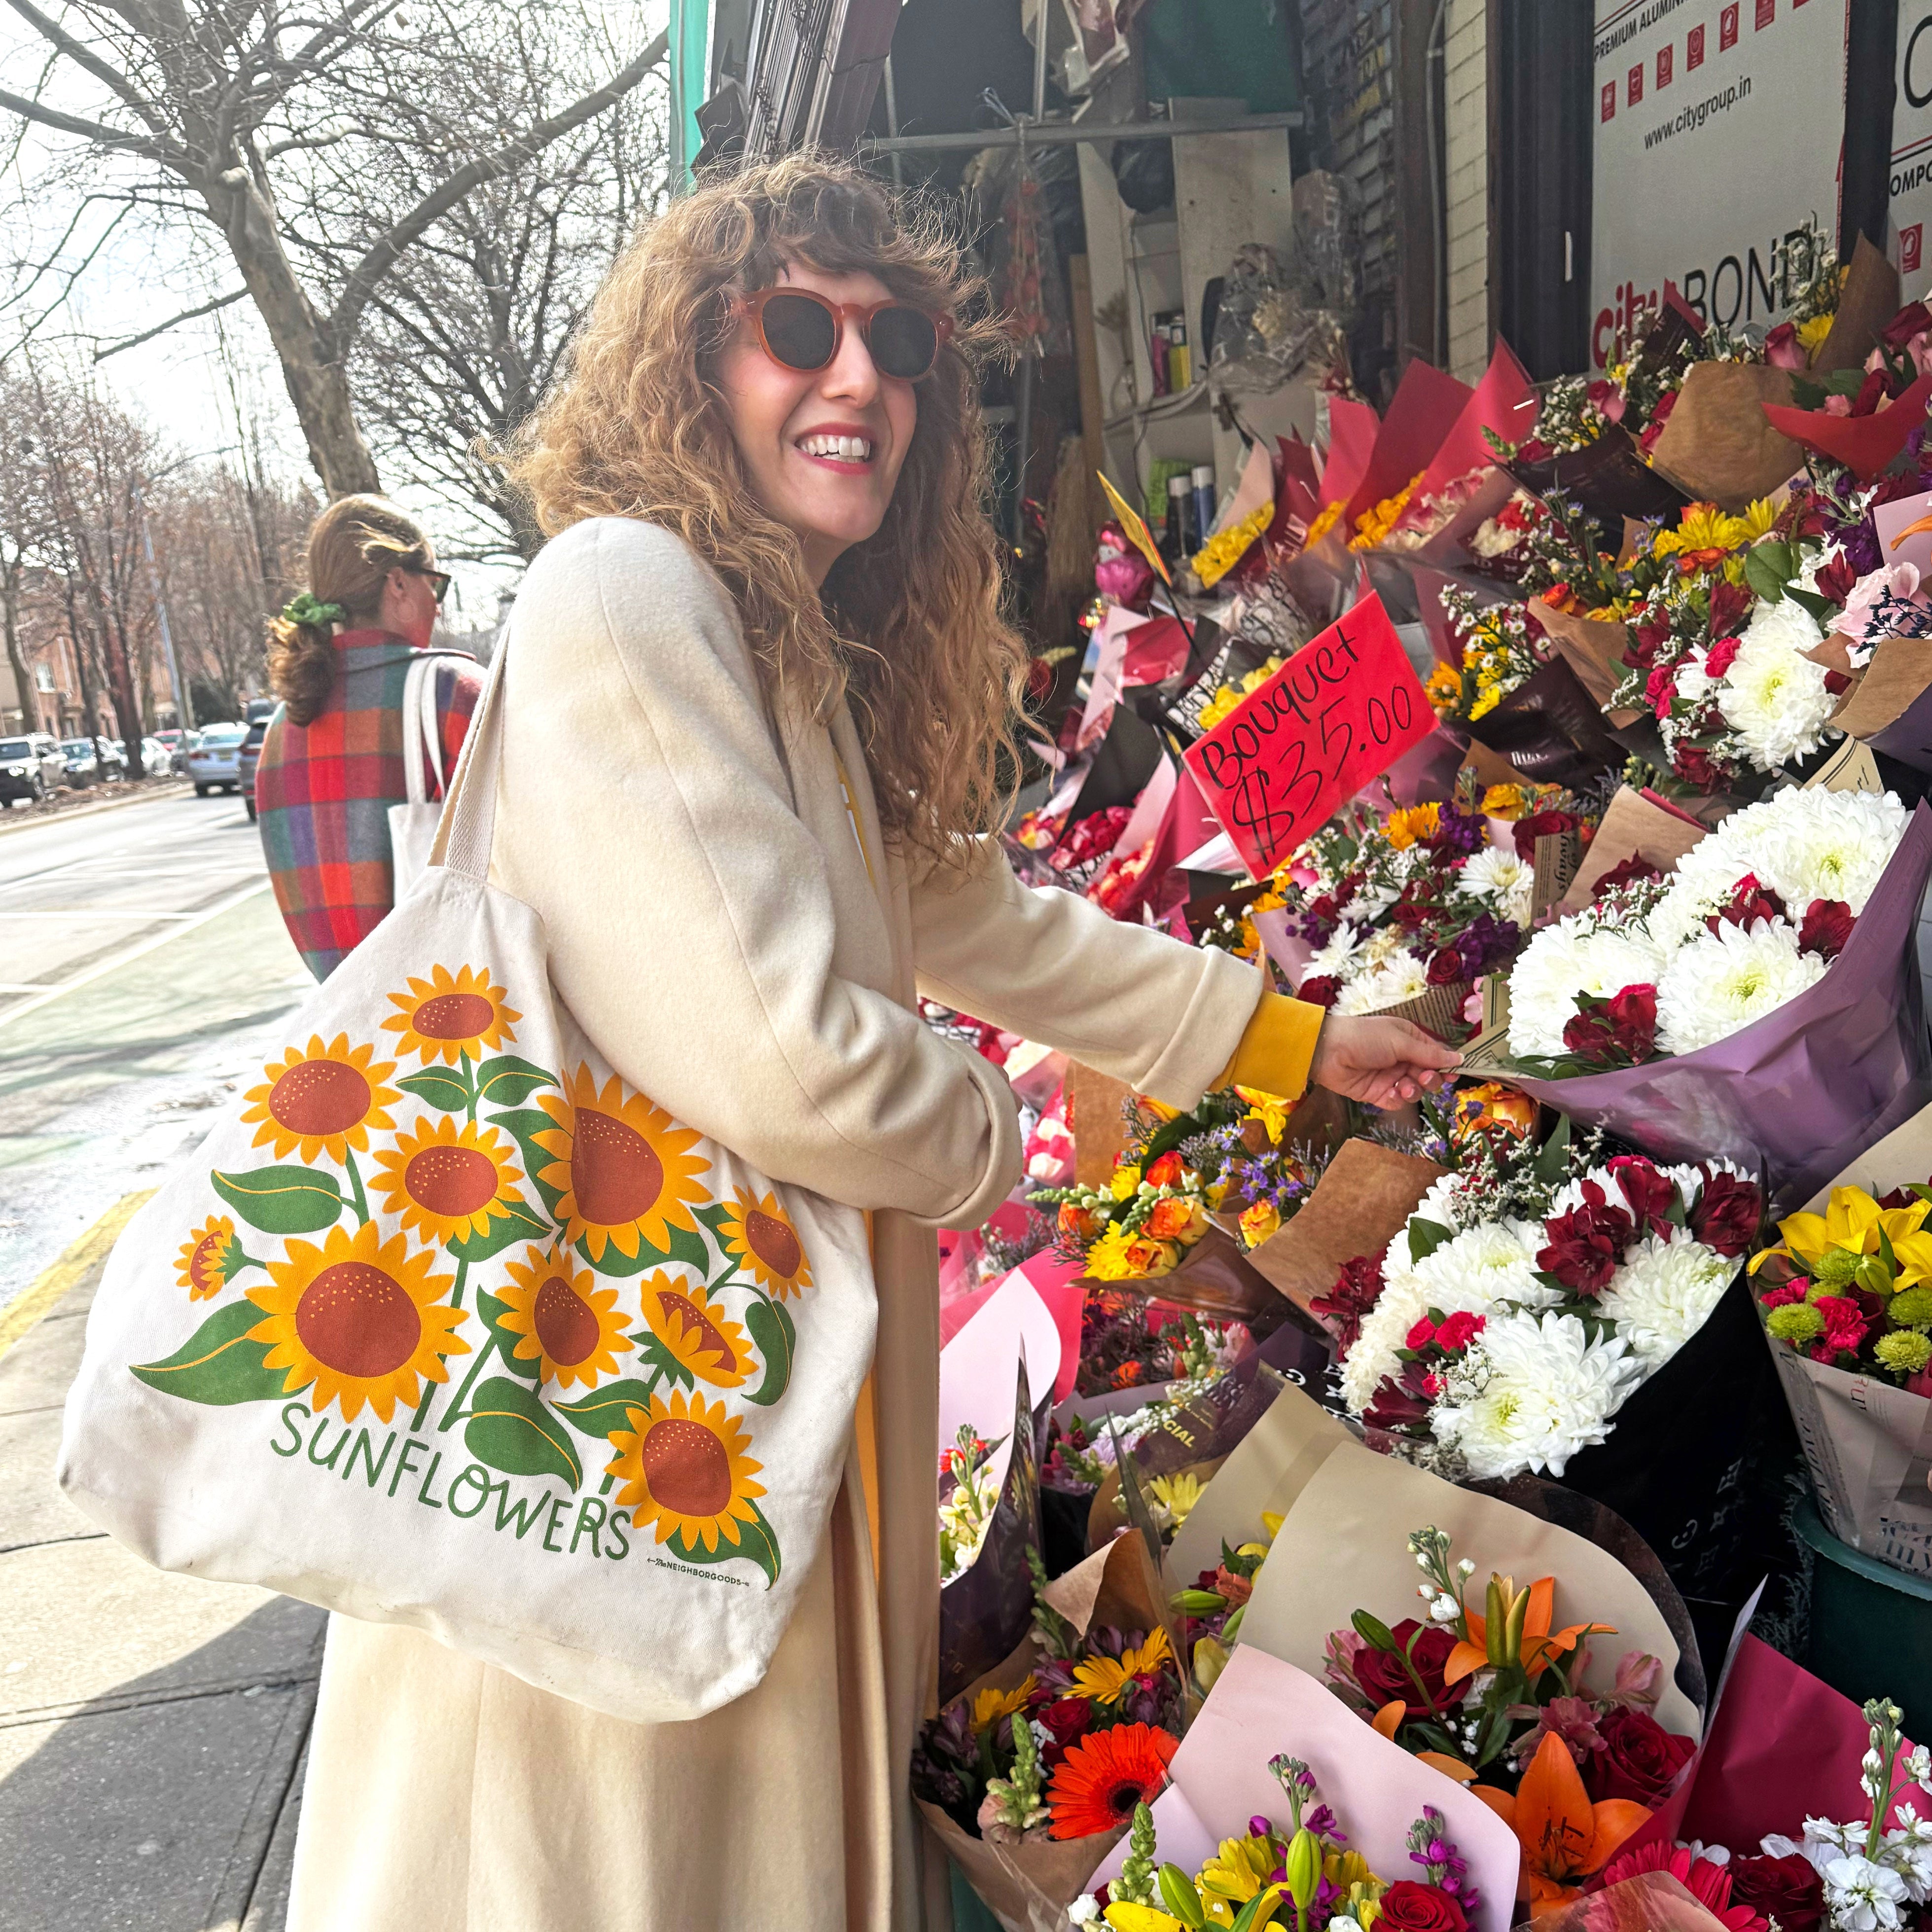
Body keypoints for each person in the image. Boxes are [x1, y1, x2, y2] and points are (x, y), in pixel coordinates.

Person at [285, 157, 1458, 1932]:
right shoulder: (625, 592)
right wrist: (994, 1128)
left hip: (737, 1428)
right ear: (692, 363)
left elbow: (983, 920)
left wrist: (1296, 1043)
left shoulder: (785, 657)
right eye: (798, 330)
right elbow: (796, 1064)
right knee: (632, 1863)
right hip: (628, 1446)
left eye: (898, 340)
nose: (859, 378)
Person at [255, 496, 484, 978]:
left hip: (354, 1035)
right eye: (434, 584)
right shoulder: (452, 691)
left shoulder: (285, 726)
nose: (437, 607)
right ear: (398, 582)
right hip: (467, 1017)